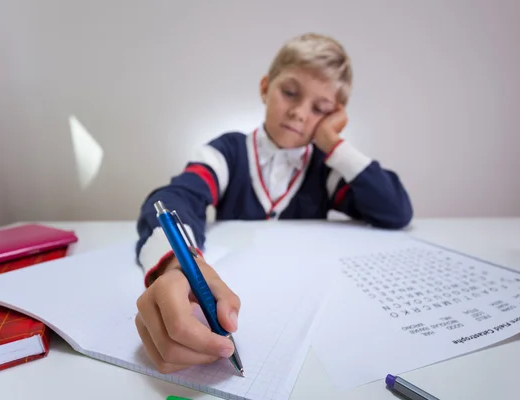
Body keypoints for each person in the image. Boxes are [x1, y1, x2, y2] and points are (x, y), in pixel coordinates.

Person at [133, 32, 413, 374]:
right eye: (290, 93)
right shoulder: (226, 153)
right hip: (234, 300)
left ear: (332, 116)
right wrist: (177, 263)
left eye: (320, 109)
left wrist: (333, 144)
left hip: (304, 317)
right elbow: (175, 197)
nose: (298, 112)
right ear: (266, 87)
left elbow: (396, 210)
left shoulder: (325, 169)